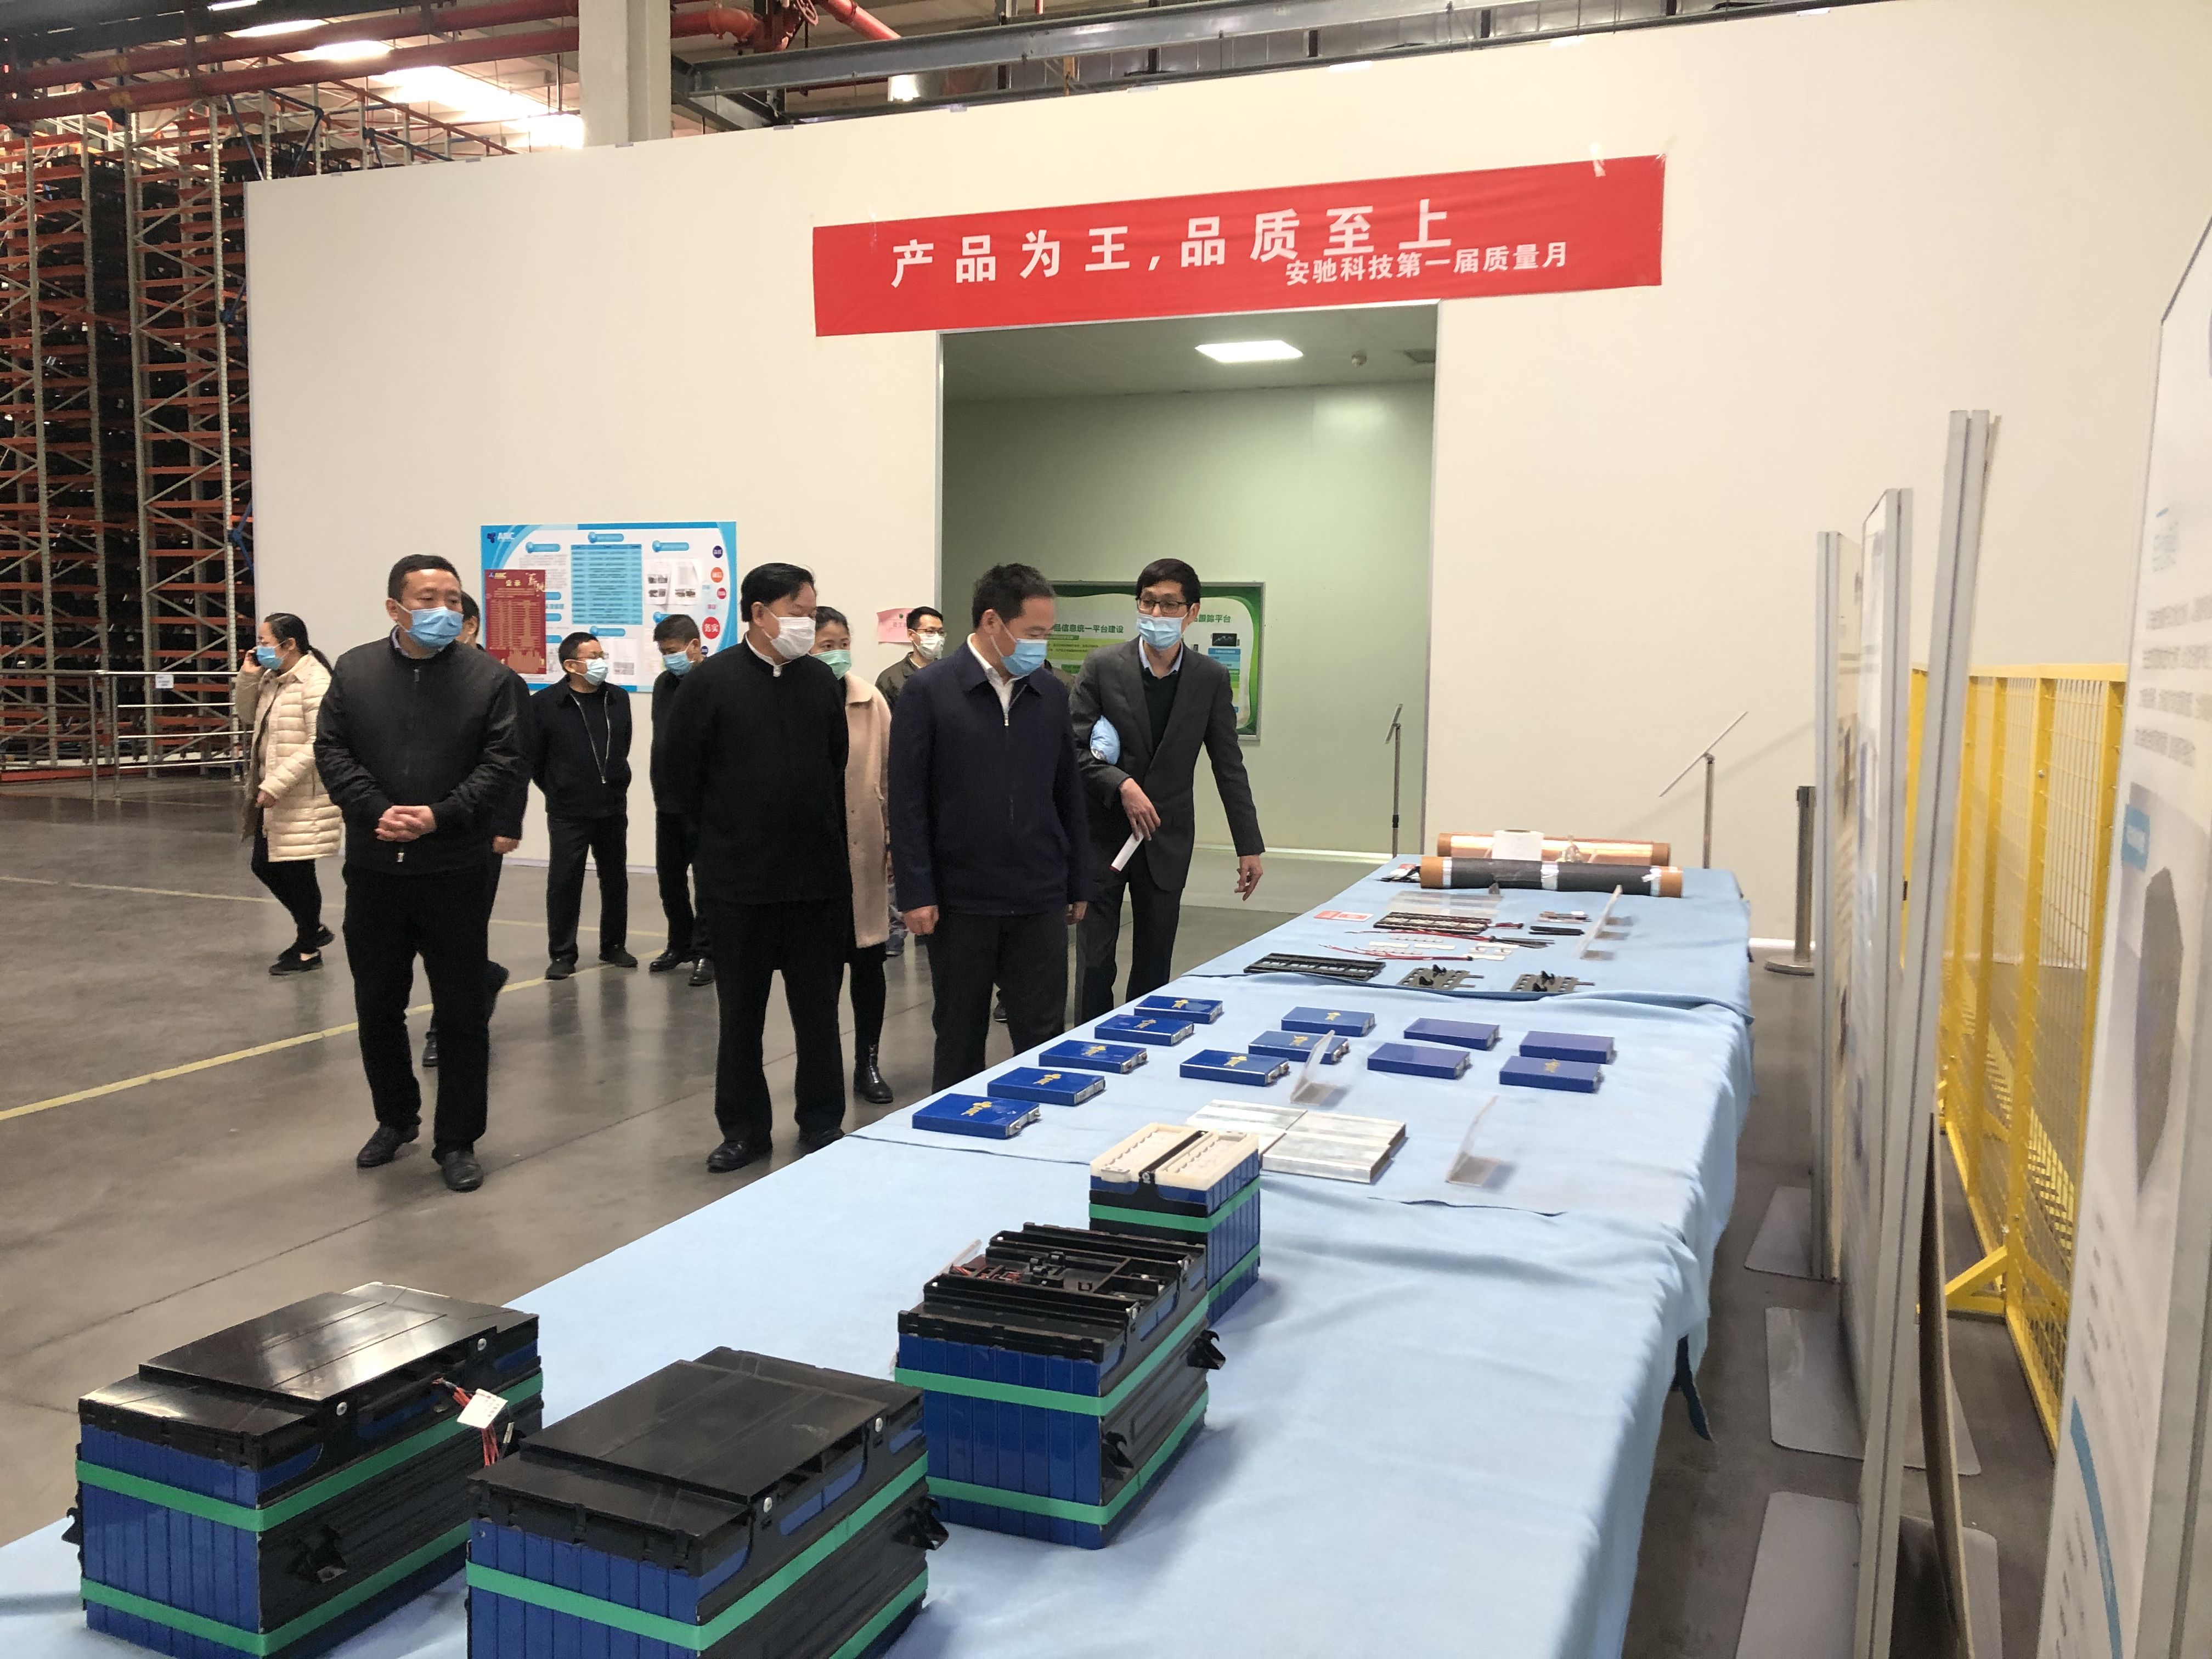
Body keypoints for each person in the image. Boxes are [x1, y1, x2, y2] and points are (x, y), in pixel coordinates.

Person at [315, 554, 523, 1194]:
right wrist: (376, 810)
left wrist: (439, 816)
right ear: (395, 608)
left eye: (452, 599)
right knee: (378, 1005)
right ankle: (395, 1118)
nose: (444, 610)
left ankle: (457, 1140)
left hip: (454, 869)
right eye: (428, 598)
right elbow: (332, 749)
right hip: (375, 868)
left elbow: (502, 761)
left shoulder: (488, 678)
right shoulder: (355, 671)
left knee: (461, 1013)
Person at [662, 562, 853, 1171]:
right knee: (740, 1017)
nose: (808, 625)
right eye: (799, 613)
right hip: (738, 885)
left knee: (818, 1015)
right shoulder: (710, 683)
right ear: (760, 613)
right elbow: (676, 779)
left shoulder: (820, 681)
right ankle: (744, 1131)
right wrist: (718, 846)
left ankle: (822, 1121)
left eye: (812, 613)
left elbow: (835, 763)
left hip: (815, 882)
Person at [889, 562, 1090, 1090]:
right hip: (961, 900)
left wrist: (1077, 881)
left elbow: (1068, 792)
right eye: (1033, 633)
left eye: (1047, 634)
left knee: (1043, 1036)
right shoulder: (929, 692)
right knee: (959, 1034)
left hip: (1038, 894)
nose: (1041, 646)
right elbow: (907, 801)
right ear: (992, 621)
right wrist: (916, 892)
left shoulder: (1050, 694)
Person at [1072, 558, 1266, 1020]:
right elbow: (1073, 749)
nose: (1157, 614)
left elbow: (1228, 765)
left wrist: (1249, 846)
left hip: (1166, 837)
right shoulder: (1102, 667)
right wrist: (1121, 785)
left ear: (1192, 612)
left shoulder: (1209, 678)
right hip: (1103, 835)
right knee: (1095, 961)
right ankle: (1088, 1044)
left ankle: (1145, 1042)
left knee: (1154, 961)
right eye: (1148, 602)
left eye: (1169, 605)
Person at [422, 593, 530, 1069]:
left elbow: (516, 762)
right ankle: (482, 978)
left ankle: (446, 1029)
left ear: (470, 627)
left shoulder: (501, 682)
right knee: (430, 932)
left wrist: (507, 823)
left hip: (480, 829)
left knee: (462, 931)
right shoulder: (420, 678)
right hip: (426, 826)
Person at [812, 607, 896, 1107]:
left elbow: (890, 775)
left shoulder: (870, 700)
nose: (837, 653)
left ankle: (868, 1061)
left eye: (842, 643)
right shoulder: (794, 700)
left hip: (862, 852)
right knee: (818, 975)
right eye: (826, 645)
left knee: (868, 964)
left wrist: (894, 842)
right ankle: (822, 1066)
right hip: (813, 860)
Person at [235, 612, 340, 976]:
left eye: (264, 642)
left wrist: (275, 784)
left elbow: (318, 744)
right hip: (274, 793)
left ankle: (308, 949)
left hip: (302, 794)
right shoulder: (272, 678)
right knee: (264, 865)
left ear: (289, 644)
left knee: (297, 871)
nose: (258, 649)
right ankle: (313, 930)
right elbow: (246, 714)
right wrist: (249, 676)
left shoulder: (316, 682)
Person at [531, 631, 638, 980]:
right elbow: (535, 759)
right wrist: (557, 788)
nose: (600, 662)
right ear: (571, 665)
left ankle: (614, 945)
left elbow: (622, 744)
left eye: (601, 655)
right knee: (565, 881)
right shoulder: (546, 703)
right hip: (568, 810)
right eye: (592, 657)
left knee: (615, 878)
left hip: (612, 806)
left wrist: (616, 781)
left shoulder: (618, 698)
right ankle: (563, 953)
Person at [648, 614, 714, 987]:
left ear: (694, 645)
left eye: (672, 650)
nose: (668, 658)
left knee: (706, 882)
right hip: (668, 801)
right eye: (663, 652)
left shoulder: (714, 681)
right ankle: (680, 943)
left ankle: (707, 951)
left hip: (704, 802)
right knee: (670, 879)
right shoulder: (664, 684)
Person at [874, 605, 945, 710]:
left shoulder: (949, 674)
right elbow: (881, 718)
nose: (937, 638)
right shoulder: (890, 679)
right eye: (930, 631)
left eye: (940, 632)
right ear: (911, 634)